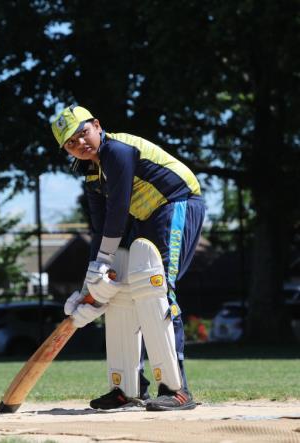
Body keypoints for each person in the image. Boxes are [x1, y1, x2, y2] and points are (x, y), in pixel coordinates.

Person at [51, 105, 205, 411]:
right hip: (144, 217)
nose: (79, 144)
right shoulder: (93, 177)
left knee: (157, 289)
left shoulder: (117, 150)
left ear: (96, 125)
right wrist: (88, 291)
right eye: (70, 143)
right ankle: (128, 388)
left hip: (175, 203)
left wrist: (101, 263)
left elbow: (118, 210)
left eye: (82, 133)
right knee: (121, 295)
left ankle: (178, 390)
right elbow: (100, 232)